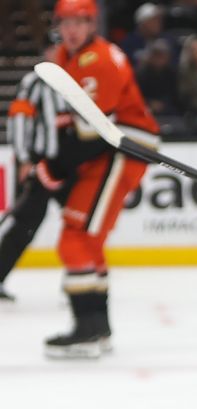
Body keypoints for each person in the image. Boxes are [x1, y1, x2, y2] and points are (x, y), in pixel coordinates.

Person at [41, 0, 158, 358]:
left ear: (92, 24)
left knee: (75, 238)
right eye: (66, 22)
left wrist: (55, 165)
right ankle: (97, 329)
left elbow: (92, 131)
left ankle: (88, 330)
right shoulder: (68, 55)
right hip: (105, 150)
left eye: (80, 22)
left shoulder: (99, 60)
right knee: (87, 240)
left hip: (123, 148)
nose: (72, 29)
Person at [1, 60, 70, 302]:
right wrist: (23, 158)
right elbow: (19, 117)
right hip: (39, 164)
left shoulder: (77, 77)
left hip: (70, 163)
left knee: (80, 222)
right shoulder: (34, 81)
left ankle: (79, 280)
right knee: (24, 224)